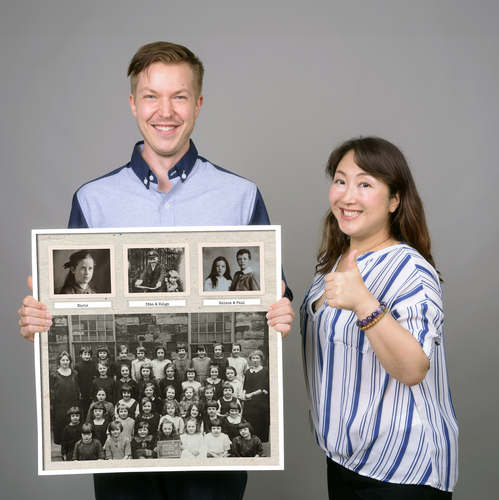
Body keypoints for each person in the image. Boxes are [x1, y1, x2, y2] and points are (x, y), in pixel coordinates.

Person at [18, 40, 295, 500]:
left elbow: (278, 297)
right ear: (132, 103)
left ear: (198, 104)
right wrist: (40, 323)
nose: (164, 111)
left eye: (179, 96)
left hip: (209, 473)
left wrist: (281, 312)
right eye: (151, 96)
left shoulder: (241, 195)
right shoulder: (93, 200)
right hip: (124, 469)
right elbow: (65, 307)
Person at [301, 137, 458, 498]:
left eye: (365, 184)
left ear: (394, 200)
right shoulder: (334, 261)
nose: (347, 196)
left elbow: (414, 369)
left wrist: (365, 304)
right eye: (340, 181)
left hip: (400, 471)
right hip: (344, 462)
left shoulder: (410, 270)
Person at [49, 351, 80, 445]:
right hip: (59, 406)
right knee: (61, 426)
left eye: (67, 360)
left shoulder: (75, 374)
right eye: (63, 360)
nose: (65, 362)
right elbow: (51, 390)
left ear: (70, 361)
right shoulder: (54, 375)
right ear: (59, 361)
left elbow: (77, 388)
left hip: (72, 404)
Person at [242, 350, 269, 443]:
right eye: (253, 358)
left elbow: (264, 387)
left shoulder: (265, 371)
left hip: (261, 402)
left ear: (261, 359)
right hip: (249, 403)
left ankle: (261, 447)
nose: (255, 360)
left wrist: (252, 394)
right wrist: (244, 395)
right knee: (250, 423)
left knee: (260, 423)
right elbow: (245, 386)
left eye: (257, 358)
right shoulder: (248, 371)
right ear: (250, 360)